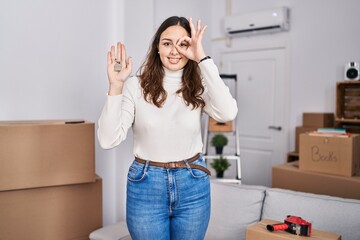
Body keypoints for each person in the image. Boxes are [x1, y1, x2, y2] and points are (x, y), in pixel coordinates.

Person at [97, 16, 238, 240]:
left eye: (182, 44)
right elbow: (107, 140)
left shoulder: (199, 85)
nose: (174, 51)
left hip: (192, 182)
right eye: (167, 43)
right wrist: (116, 86)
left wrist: (202, 58)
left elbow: (228, 112)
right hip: (146, 184)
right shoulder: (135, 85)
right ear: (157, 47)